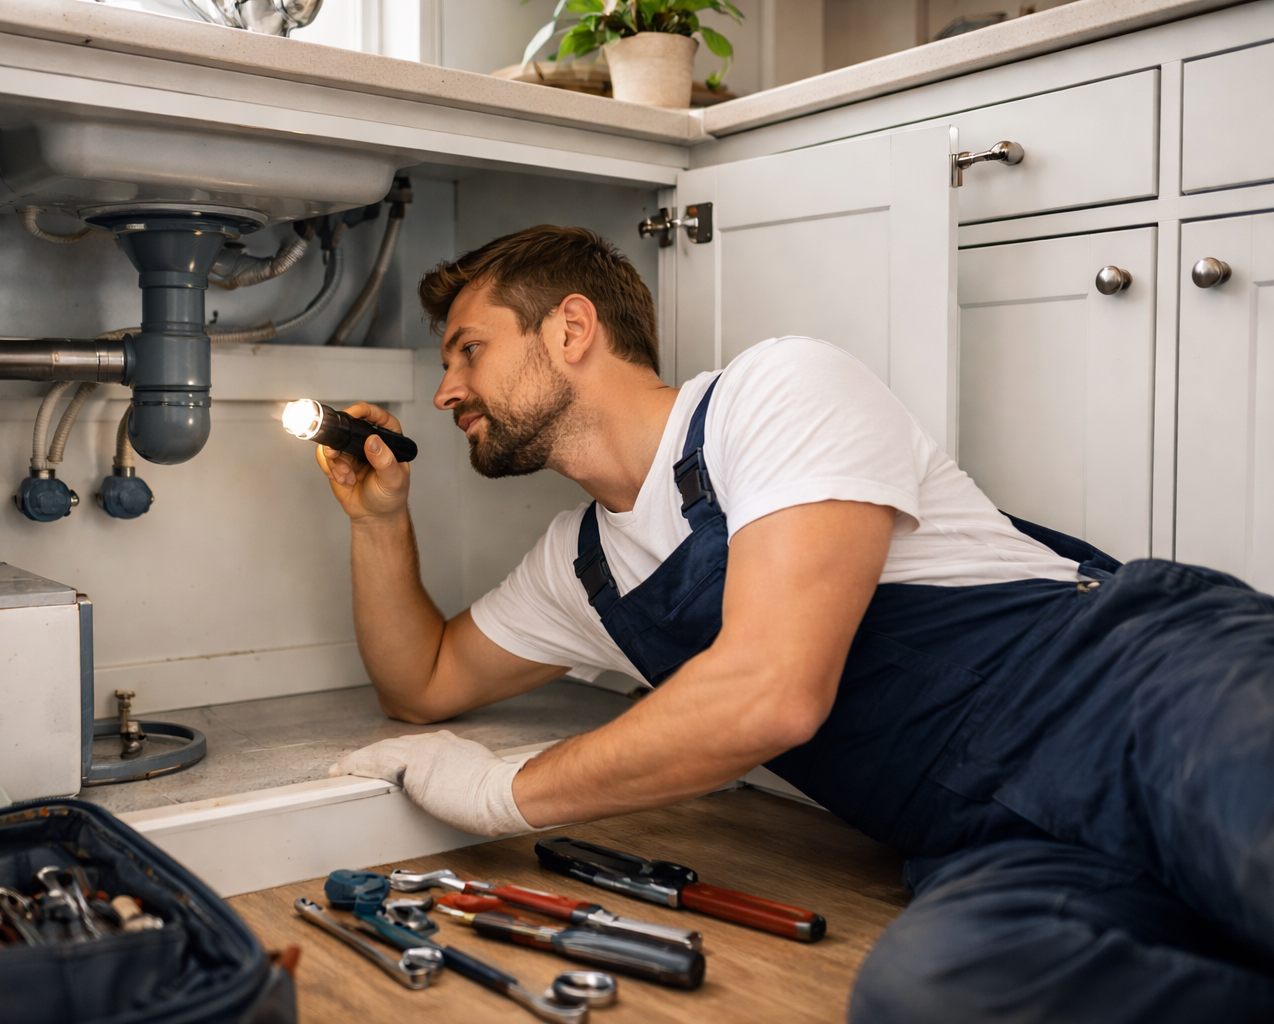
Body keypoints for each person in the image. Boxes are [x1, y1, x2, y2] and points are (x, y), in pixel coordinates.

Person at [313, 225, 1274, 1021]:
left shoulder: (773, 394)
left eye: (468, 350)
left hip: (1131, 687)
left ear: (571, 328)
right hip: (986, 837)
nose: (445, 393)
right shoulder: (582, 564)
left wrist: (501, 794)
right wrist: (379, 524)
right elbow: (422, 681)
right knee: (932, 994)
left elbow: (772, 693)